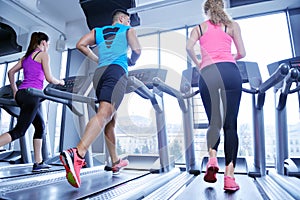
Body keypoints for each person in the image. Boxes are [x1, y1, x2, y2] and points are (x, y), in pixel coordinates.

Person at [59, 9, 141, 188]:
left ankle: (115, 161)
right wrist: (132, 60)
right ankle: (77, 154)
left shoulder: (98, 31)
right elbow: (137, 49)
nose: (129, 23)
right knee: (105, 114)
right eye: (128, 20)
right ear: (122, 19)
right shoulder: (128, 30)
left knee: (109, 119)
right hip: (117, 72)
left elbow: (80, 44)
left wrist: (97, 59)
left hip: (100, 74)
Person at [186, 0, 246, 192]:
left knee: (214, 121)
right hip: (230, 72)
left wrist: (199, 63)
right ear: (222, 7)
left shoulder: (199, 28)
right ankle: (229, 177)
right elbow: (243, 53)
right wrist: (228, 59)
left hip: (208, 72)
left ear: (205, 11)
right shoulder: (232, 25)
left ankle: (212, 158)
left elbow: (189, 48)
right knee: (230, 125)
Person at [0, 32, 65, 172]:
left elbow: (10, 72)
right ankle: (38, 162)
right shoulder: (43, 55)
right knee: (19, 131)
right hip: (32, 95)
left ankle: (38, 163)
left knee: (40, 126)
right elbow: (49, 78)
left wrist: (15, 90)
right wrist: (60, 82)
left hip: (22, 94)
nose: (47, 46)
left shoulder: (26, 57)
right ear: (42, 42)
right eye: (47, 44)